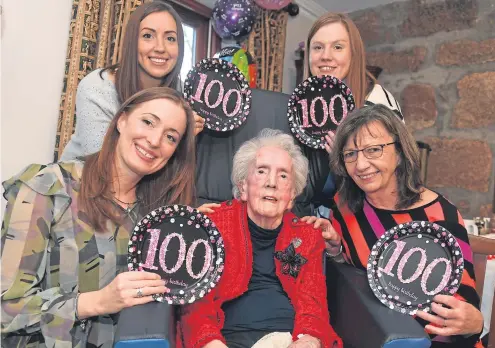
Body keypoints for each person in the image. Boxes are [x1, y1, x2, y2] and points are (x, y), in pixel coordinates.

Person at [1, 87, 198, 347]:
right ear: (122, 120)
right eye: (148, 122)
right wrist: (99, 301)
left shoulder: (155, 219)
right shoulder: (48, 188)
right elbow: (7, 309)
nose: (154, 140)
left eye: (170, 137)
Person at [304, 104, 483, 347]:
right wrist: (335, 250)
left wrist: (475, 322)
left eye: (374, 150)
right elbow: (354, 277)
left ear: (399, 152)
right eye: (350, 154)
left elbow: (465, 307)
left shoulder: (442, 214)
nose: (361, 165)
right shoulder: (344, 210)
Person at [180, 129, 341, 348]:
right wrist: (211, 343)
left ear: (292, 195)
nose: (271, 182)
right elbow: (196, 304)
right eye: (262, 171)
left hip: (290, 339)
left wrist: (308, 340)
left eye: (283, 175)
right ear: (243, 186)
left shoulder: (306, 235)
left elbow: (313, 302)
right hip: (227, 339)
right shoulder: (212, 225)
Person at [61, 1, 204, 161]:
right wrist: (181, 140)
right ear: (132, 42)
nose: (160, 47)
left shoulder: (180, 93)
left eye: (170, 38)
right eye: (148, 36)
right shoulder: (97, 88)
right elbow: (105, 165)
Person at [303, 12, 403, 153]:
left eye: (337, 47)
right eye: (318, 47)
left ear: (353, 53)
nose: (325, 56)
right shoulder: (303, 110)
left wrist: (346, 156)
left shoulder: (377, 103)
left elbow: (390, 168)